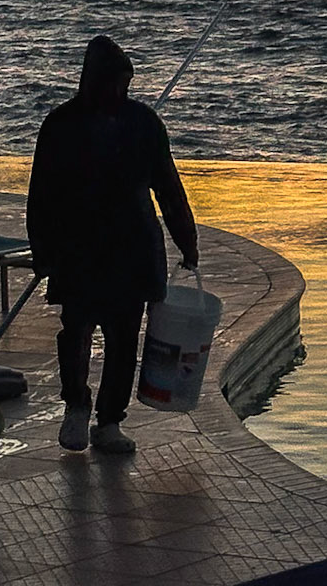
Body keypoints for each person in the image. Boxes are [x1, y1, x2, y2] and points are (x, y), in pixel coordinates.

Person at [27, 34, 198, 455]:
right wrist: (43, 251)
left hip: (133, 250)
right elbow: (41, 194)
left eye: (124, 84)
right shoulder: (61, 124)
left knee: (124, 341)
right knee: (76, 331)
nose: (118, 92)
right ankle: (76, 407)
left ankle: (108, 421)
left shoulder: (143, 123)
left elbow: (169, 189)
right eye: (112, 83)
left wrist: (186, 241)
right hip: (77, 248)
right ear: (91, 81)